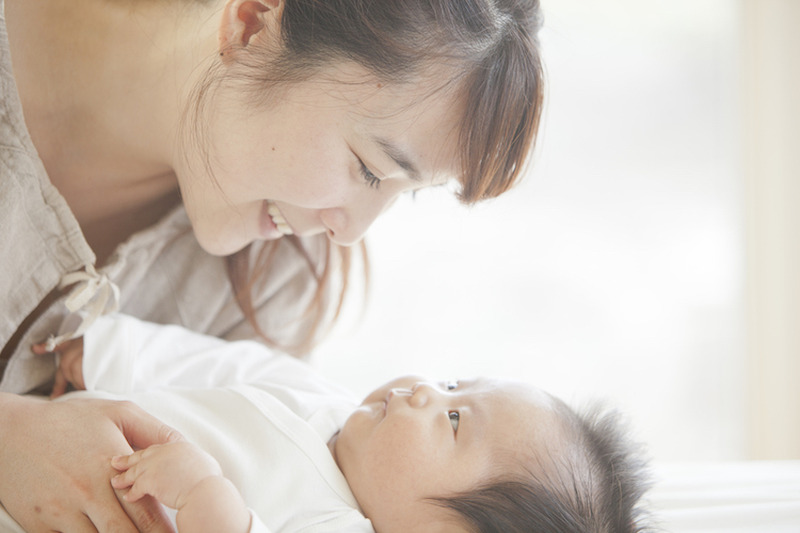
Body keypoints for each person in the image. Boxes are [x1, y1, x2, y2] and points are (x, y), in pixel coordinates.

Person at [0, 0, 545, 530]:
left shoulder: (275, 278)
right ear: (251, 24)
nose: (349, 231)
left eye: (408, 193)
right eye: (371, 170)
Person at [0, 314, 651, 533]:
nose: (424, 389)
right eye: (451, 382)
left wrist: (204, 495)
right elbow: (222, 363)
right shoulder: (328, 399)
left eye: (454, 419)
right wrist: (115, 348)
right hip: (48, 441)